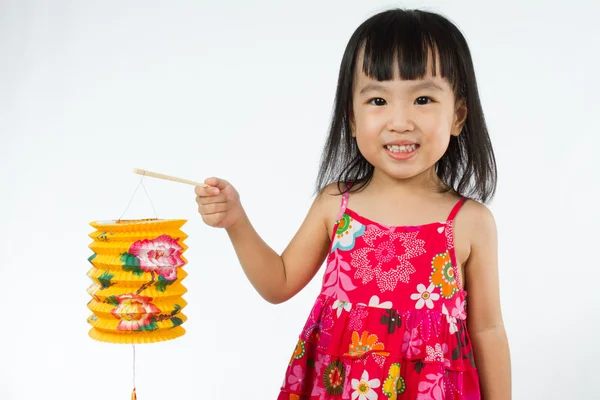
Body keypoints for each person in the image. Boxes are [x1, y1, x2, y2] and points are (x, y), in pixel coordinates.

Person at [195, 8, 511, 400]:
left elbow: (487, 330)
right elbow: (277, 283)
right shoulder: (336, 205)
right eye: (378, 99)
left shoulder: (470, 221)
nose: (400, 121)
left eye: (423, 99)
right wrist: (235, 221)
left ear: (458, 115)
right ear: (352, 117)